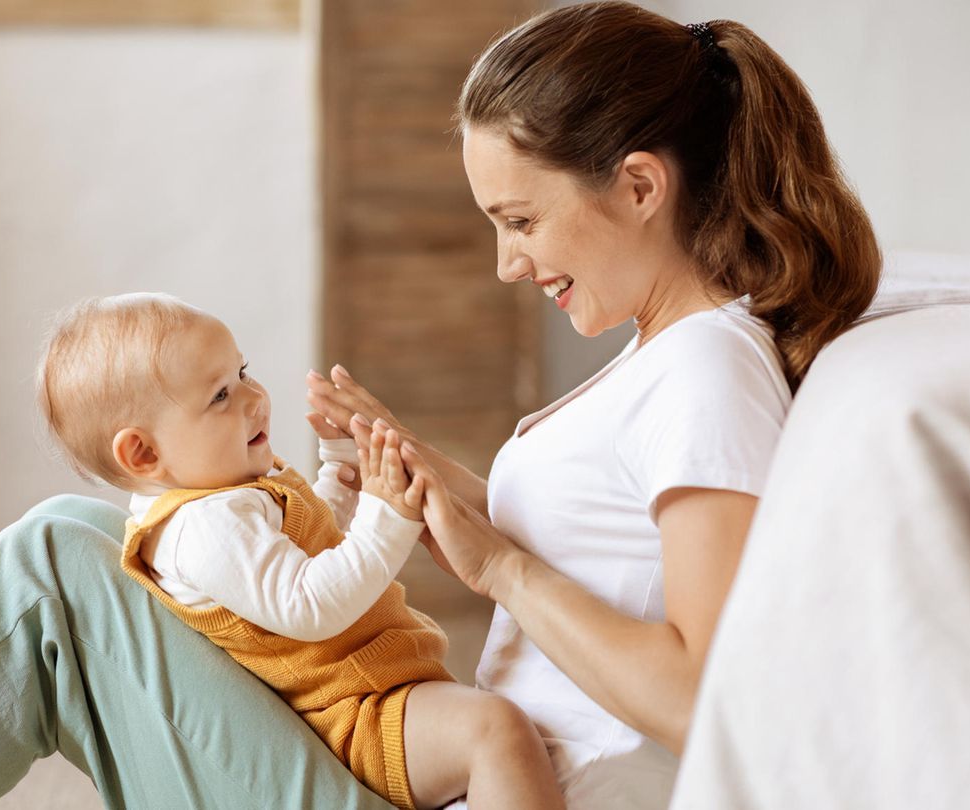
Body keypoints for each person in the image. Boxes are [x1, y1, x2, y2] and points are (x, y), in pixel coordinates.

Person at [305, 2, 880, 807]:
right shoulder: (666, 349)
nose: (508, 264)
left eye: (521, 221)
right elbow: (600, 543)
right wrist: (422, 474)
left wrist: (500, 569)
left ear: (640, 186)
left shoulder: (707, 372)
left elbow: (705, 701)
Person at [37, 293, 564, 810]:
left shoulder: (225, 499)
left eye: (243, 372)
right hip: (350, 717)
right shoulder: (200, 529)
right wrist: (389, 516)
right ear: (143, 452)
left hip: (371, 693)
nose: (254, 397)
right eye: (220, 396)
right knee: (497, 732)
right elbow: (310, 604)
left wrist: (340, 470)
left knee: (501, 730)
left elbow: (308, 542)